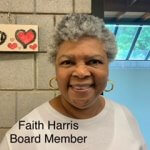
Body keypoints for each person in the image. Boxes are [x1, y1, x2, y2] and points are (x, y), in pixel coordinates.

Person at [0, 14, 146, 150]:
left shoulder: (125, 117)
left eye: (94, 61)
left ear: (108, 65)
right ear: (55, 69)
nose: (81, 73)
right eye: (67, 62)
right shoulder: (23, 136)